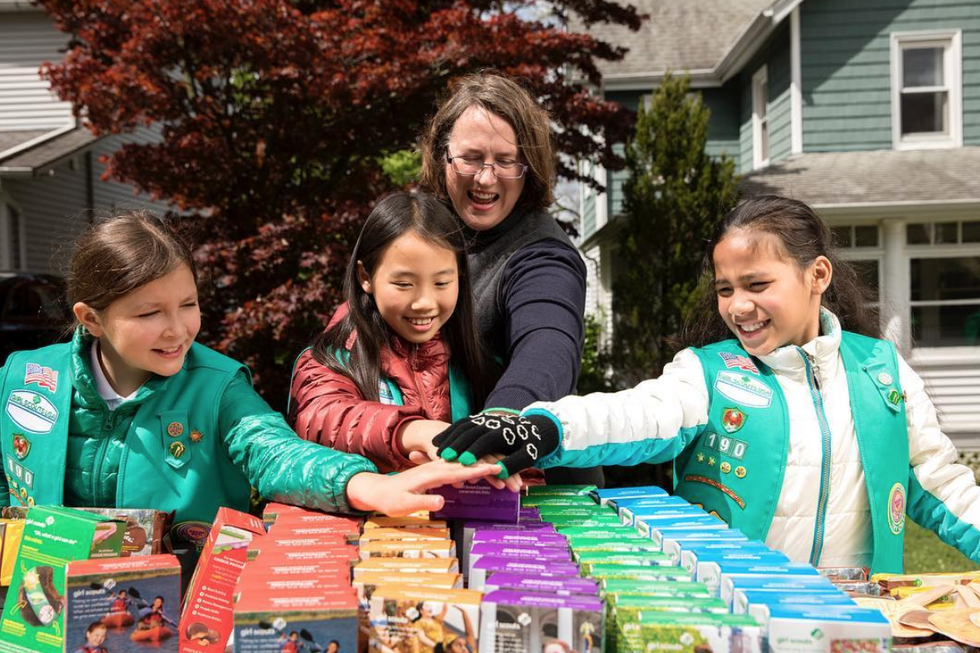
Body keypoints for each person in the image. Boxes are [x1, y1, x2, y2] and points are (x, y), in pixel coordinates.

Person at [434, 195, 980, 573]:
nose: (739, 307)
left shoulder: (882, 371)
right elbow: (635, 414)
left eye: (758, 284)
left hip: (858, 626)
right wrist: (541, 428)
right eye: (725, 289)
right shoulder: (708, 372)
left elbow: (942, 485)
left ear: (817, 276)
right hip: (738, 619)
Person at [0, 211, 497, 543]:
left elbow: (275, 454)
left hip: (180, 608)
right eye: (149, 313)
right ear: (90, 318)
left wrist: (362, 484)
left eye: (189, 305)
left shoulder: (216, 386)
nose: (177, 330)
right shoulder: (25, 379)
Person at [418, 72, 600, 486]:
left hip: (535, 490)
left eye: (505, 161)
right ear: (442, 156)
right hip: (443, 477)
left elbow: (549, 343)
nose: (485, 178)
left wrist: (507, 414)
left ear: (528, 167)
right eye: (471, 158)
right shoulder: (424, 231)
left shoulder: (543, 255)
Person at [288, 193, 516, 490]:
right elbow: (322, 417)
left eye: (442, 283)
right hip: (379, 530)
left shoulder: (480, 361)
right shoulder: (329, 360)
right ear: (365, 276)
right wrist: (411, 431)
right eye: (404, 284)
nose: (424, 302)